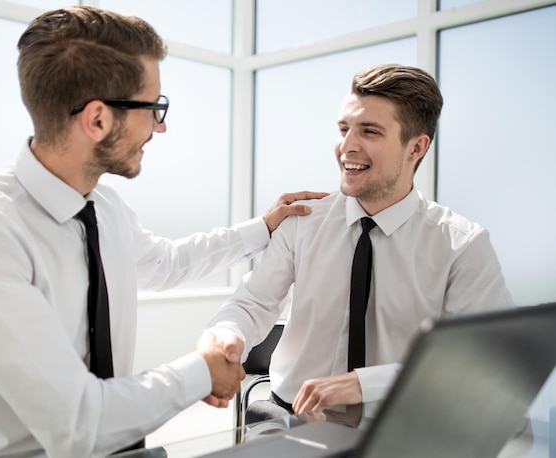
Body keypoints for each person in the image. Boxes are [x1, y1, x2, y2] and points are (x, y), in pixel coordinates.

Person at [0, 6, 327, 458]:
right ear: (97, 120)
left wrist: (263, 228)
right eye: (153, 108)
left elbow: (166, 263)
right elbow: (77, 421)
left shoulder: (105, 207)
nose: (161, 126)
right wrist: (201, 371)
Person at [205, 63, 515, 422]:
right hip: (290, 419)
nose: (347, 146)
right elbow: (252, 303)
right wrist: (227, 337)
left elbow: (487, 357)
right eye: (343, 128)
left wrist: (365, 384)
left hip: (399, 433)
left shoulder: (462, 245)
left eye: (369, 131)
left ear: (416, 147)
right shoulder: (304, 221)